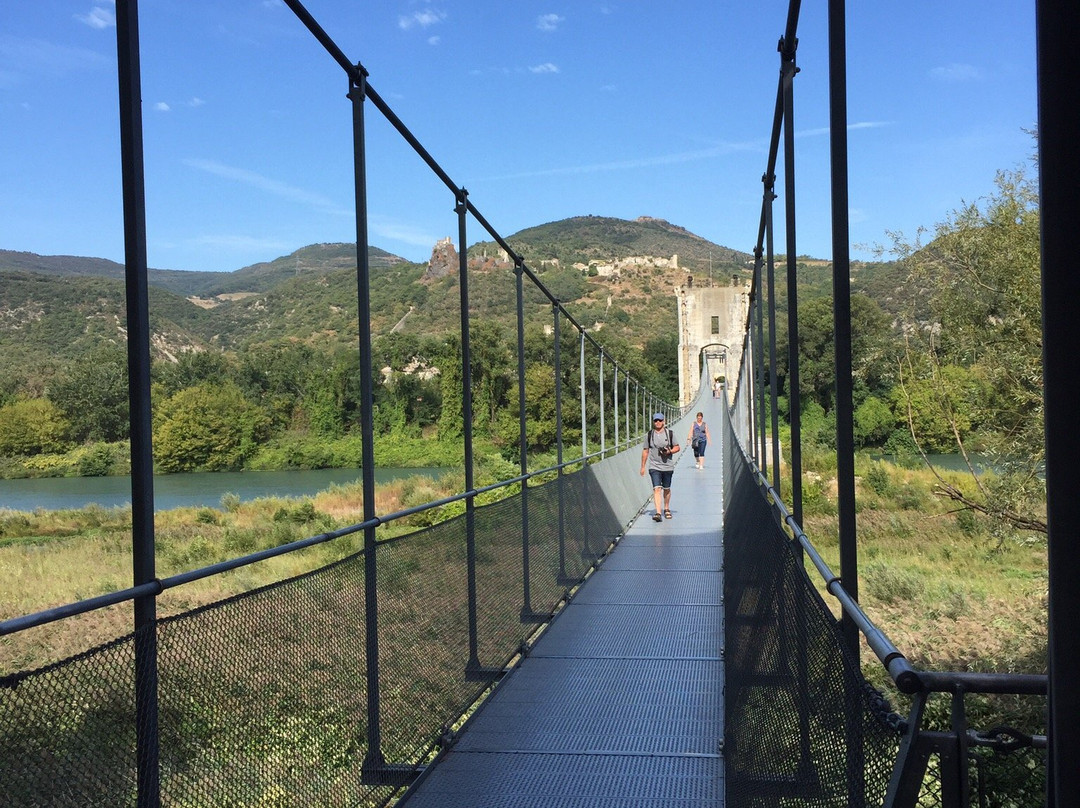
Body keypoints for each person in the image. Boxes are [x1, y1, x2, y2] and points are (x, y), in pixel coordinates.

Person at [640, 412, 679, 521]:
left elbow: (677, 447)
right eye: (656, 420)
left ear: (664, 421)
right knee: (657, 488)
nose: (658, 422)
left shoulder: (670, 434)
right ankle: (658, 512)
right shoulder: (649, 435)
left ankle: (666, 509)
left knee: (666, 489)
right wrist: (642, 466)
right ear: (653, 422)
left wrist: (669, 451)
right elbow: (645, 451)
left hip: (667, 466)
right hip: (654, 466)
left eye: (660, 420)